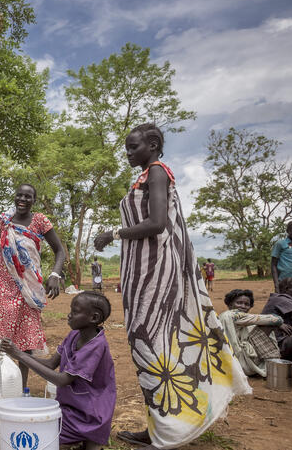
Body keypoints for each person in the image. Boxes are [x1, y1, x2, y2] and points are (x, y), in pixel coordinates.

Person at [94, 123, 249, 450]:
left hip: (157, 275)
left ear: (152, 144)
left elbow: (158, 223)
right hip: (142, 273)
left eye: (133, 147)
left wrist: (114, 233)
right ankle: (159, 426)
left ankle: (168, 430)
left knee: (153, 342)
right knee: (146, 344)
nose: (128, 153)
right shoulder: (146, 175)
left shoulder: (158, 173)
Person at [0, 291, 116, 450]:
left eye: (75, 312)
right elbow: (50, 364)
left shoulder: (95, 346)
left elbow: (62, 380)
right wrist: (18, 353)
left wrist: (19, 354)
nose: (69, 315)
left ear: (94, 318)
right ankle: (85, 440)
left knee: (48, 437)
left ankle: (89, 439)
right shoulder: (74, 335)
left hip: (91, 412)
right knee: (49, 432)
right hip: (72, 406)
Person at [0, 183, 65, 389]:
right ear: (14, 197)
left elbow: (59, 250)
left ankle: (21, 387)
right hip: (3, 284)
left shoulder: (40, 221)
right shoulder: (3, 221)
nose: (23, 200)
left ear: (34, 200)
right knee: (0, 334)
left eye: (28, 197)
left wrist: (55, 274)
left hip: (29, 286)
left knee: (25, 338)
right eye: (20, 196)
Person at [217, 289, 283, 377]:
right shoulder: (232, 315)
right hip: (240, 361)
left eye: (246, 304)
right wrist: (280, 323)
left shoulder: (224, 316)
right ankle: (270, 364)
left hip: (228, 359)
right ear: (230, 304)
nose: (243, 306)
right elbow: (276, 319)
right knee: (267, 325)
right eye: (239, 303)